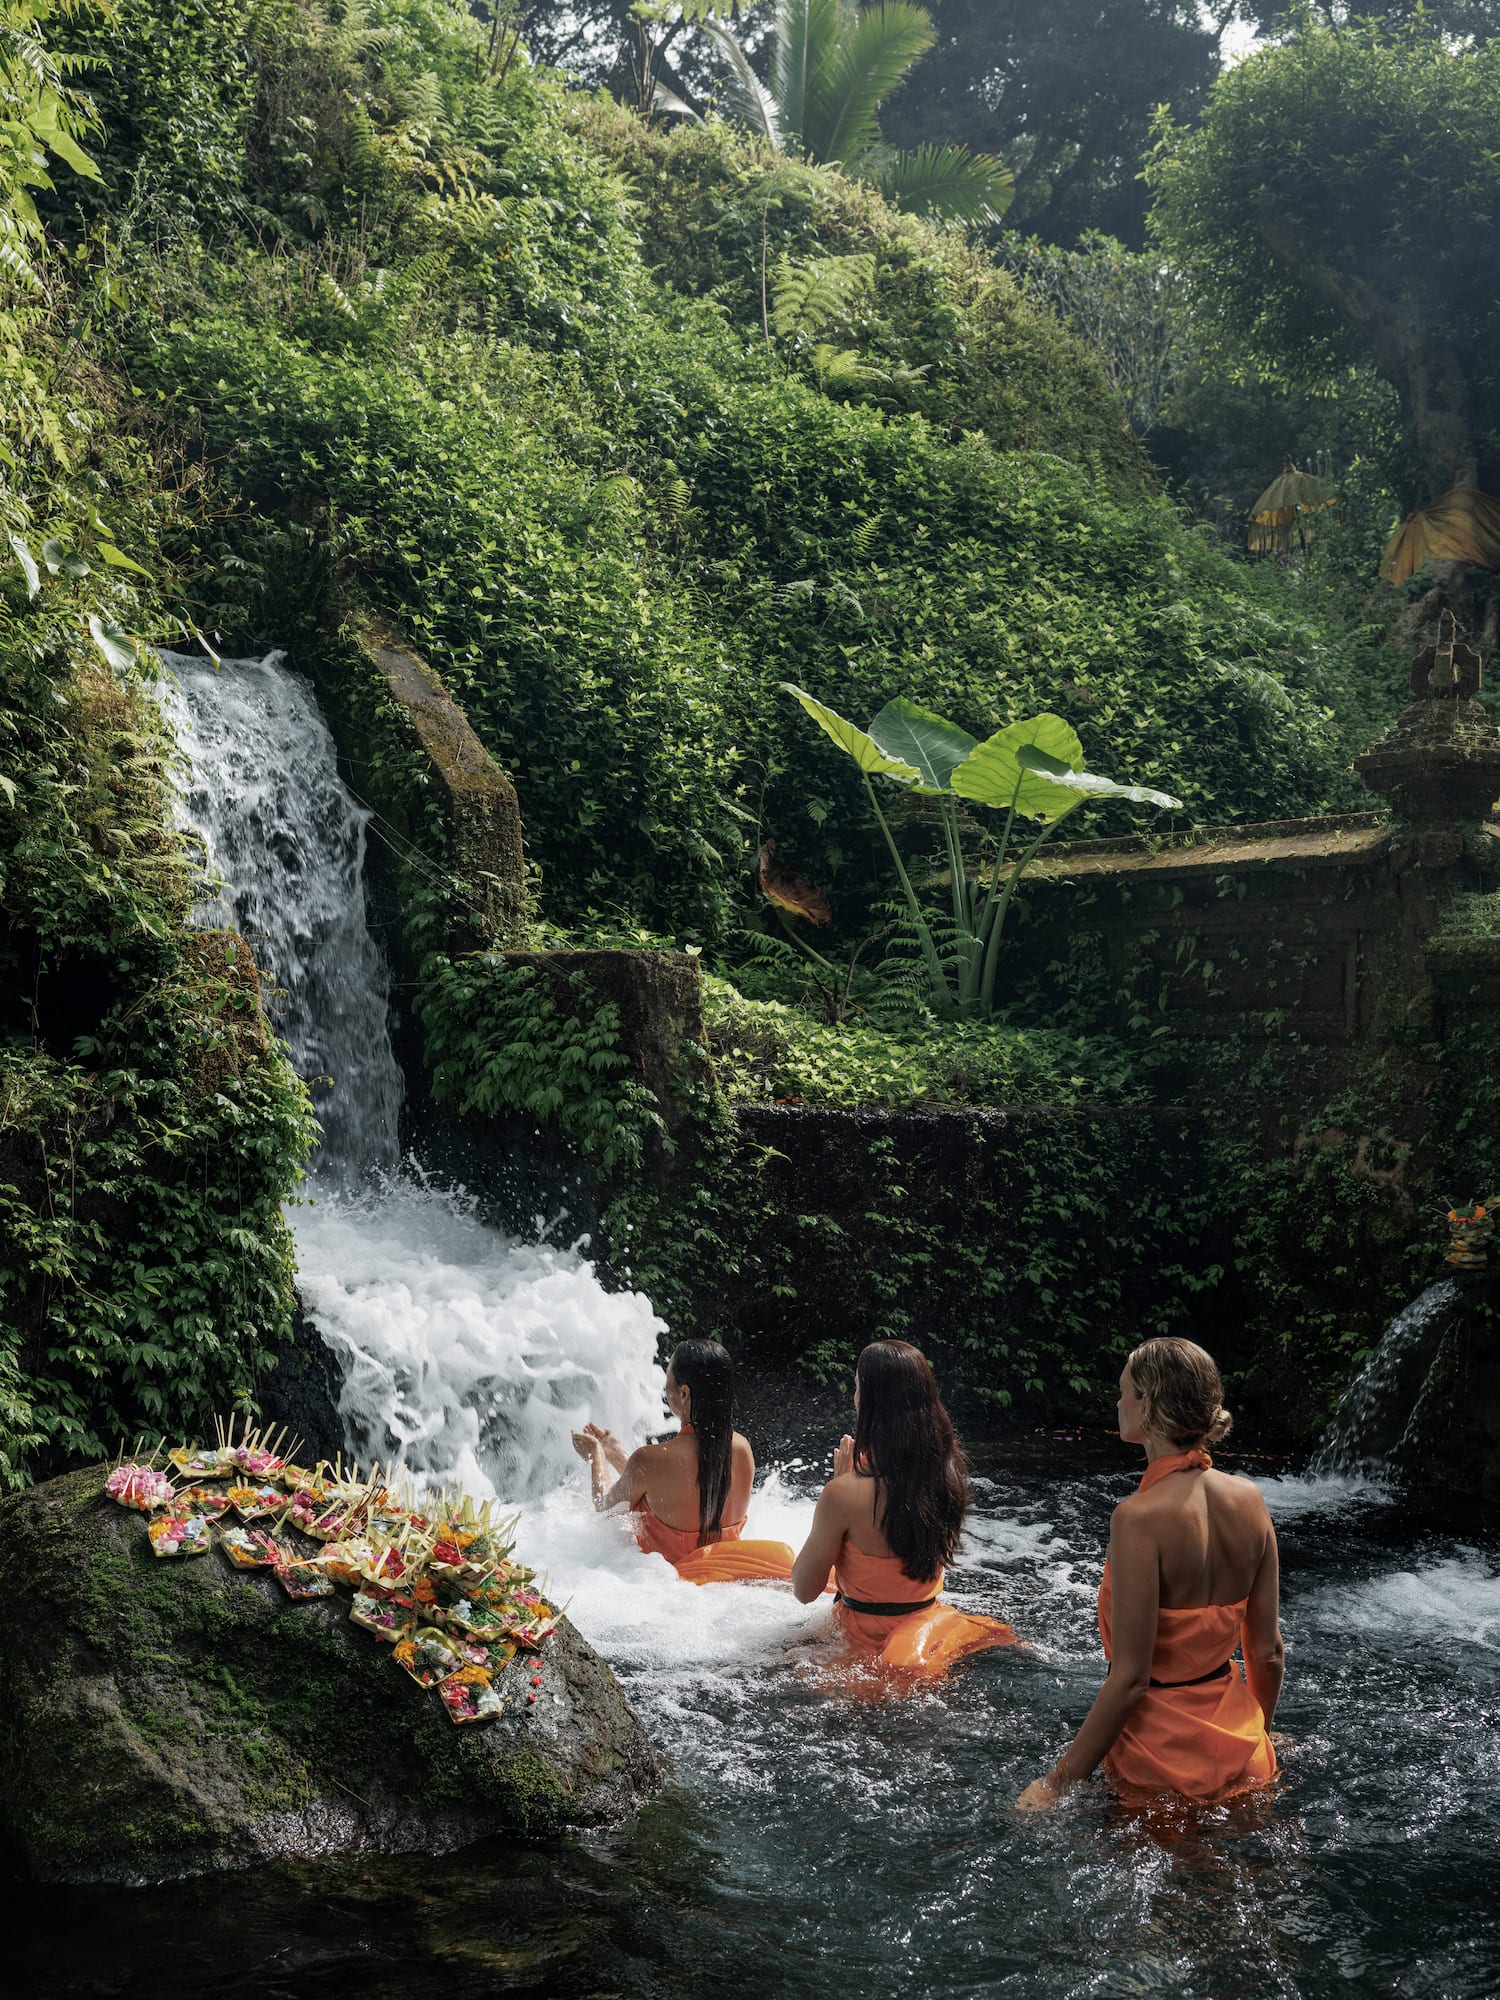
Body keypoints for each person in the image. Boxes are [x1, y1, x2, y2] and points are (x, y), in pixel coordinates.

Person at [1016, 1336, 1283, 1811]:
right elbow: (1267, 1653)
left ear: (1147, 1403)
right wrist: (1260, 1732)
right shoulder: (1251, 1500)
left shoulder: (1137, 1518)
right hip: (1247, 1753)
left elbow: (1132, 1680)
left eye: (1124, 1391)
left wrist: (1055, 1784)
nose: (1118, 1402)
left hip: (1161, 1763)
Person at [790, 1340, 1019, 1679]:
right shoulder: (948, 1471)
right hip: (930, 1630)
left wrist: (837, 1487)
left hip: (863, 1647)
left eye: (856, 1388)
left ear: (867, 1401)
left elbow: (804, 1590)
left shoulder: (845, 1492)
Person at [571, 1338, 796, 1583]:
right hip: (729, 1584)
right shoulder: (743, 1449)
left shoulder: (650, 1459)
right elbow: (670, 1489)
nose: (664, 1388)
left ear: (684, 1392)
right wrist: (616, 1454)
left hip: (666, 1590)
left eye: (667, 1378)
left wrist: (596, 1456)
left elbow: (604, 1509)